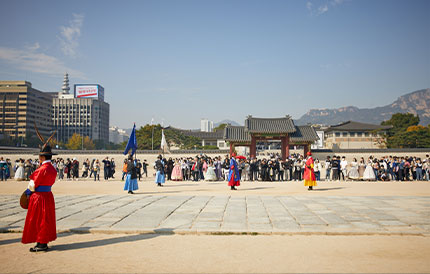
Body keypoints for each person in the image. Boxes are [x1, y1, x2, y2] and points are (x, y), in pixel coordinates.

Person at [22, 130, 57, 252]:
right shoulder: (53, 169)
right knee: (46, 220)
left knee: (39, 220)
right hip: (48, 195)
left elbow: (32, 184)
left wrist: (27, 193)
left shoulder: (41, 169)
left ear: (42, 157)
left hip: (38, 197)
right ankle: (43, 242)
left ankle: (41, 244)